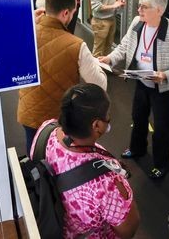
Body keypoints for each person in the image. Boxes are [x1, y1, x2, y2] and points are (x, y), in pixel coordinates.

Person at [99, 0, 169, 179]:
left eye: (144, 7)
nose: (139, 10)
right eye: (139, 5)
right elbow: (125, 46)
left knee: (161, 127)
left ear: (159, 10)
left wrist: (165, 75)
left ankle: (162, 164)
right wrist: (109, 59)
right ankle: (137, 149)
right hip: (141, 81)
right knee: (138, 118)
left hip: (163, 88)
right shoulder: (137, 23)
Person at [32, 83, 140, 238]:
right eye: (107, 114)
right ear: (96, 125)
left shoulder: (46, 130)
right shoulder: (108, 183)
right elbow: (128, 229)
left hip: (50, 225)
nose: (109, 118)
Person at [18, 0, 107, 152]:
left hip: (28, 111)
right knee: (58, 158)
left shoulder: (24, 33)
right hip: (56, 118)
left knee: (34, 154)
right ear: (66, 13)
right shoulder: (76, 45)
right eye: (73, 13)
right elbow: (99, 85)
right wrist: (95, 63)